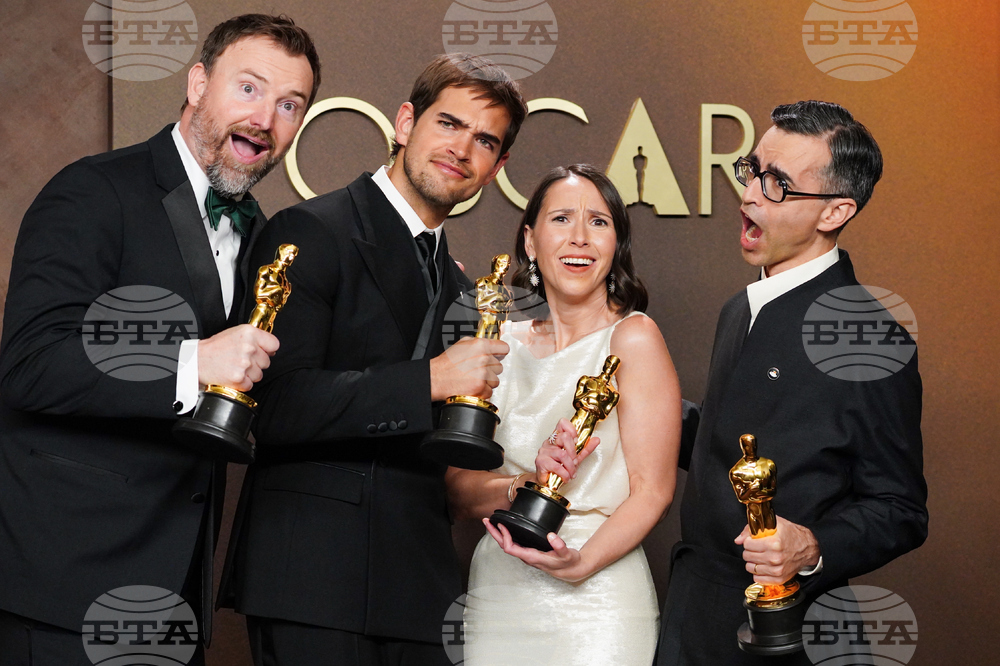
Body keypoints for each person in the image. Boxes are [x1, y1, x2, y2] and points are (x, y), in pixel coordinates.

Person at [0, 13, 320, 665]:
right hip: (64, 587)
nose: (266, 118)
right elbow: (32, 363)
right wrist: (192, 362)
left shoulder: (261, 233)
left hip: (174, 596)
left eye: (290, 104)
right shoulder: (92, 191)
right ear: (198, 83)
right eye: (250, 89)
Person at [217, 54, 527, 666]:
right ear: (406, 122)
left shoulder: (463, 288)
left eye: (484, 140)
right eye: (448, 124)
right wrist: (431, 380)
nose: (462, 149)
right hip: (312, 579)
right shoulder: (309, 230)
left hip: (420, 587)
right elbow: (272, 406)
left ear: (497, 167)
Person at [655, 101, 928, 665]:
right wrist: (638, 400)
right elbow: (729, 443)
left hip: (788, 635)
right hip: (692, 612)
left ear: (835, 211)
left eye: (778, 184)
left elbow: (900, 508)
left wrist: (812, 547)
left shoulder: (866, 337)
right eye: (752, 171)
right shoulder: (740, 308)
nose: (750, 194)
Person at [447, 164, 682, 665]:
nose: (579, 237)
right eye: (561, 219)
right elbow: (457, 490)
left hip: (600, 597)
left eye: (598, 222)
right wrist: (527, 480)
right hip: (500, 592)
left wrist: (582, 563)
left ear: (616, 244)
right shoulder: (497, 347)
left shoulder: (634, 338)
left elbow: (654, 490)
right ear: (530, 241)